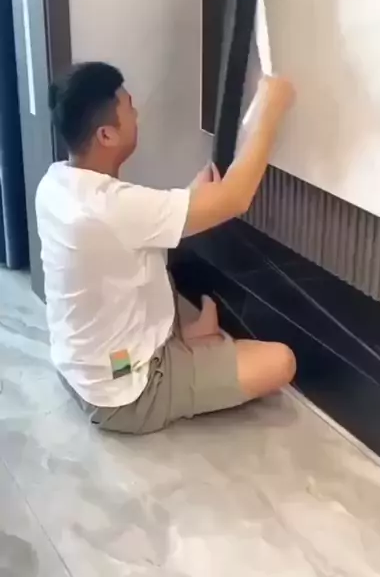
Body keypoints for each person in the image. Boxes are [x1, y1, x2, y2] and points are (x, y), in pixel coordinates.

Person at [36, 62, 297, 435]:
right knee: (281, 362)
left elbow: (134, 229)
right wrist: (271, 107)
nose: (137, 115)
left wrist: (192, 198)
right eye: (129, 108)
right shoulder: (115, 209)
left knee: (149, 271)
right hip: (125, 396)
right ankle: (183, 356)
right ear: (106, 135)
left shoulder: (56, 183)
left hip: (81, 369)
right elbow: (236, 198)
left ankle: (188, 344)